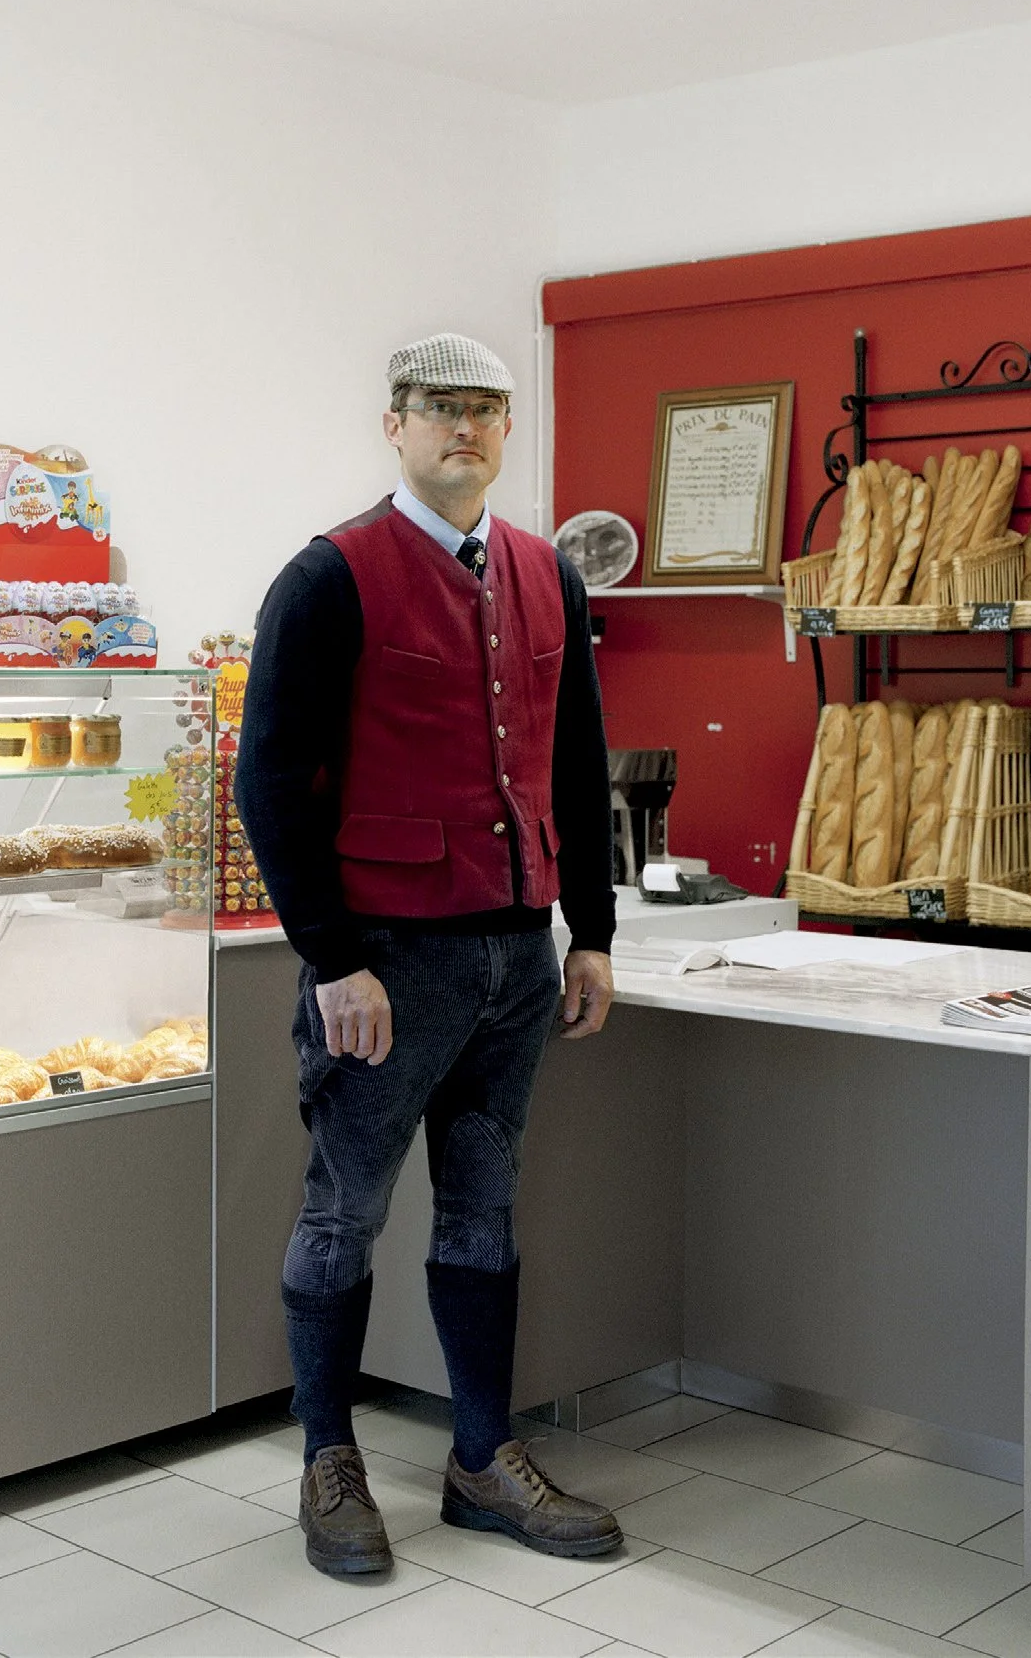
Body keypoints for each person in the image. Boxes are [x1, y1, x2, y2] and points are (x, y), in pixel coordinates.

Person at [237, 332, 620, 1579]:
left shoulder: (546, 574)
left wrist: (594, 931)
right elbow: (272, 786)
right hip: (387, 963)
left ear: (507, 429)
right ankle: (327, 1457)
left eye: (488, 410)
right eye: (441, 408)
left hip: (518, 947)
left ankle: (479, 1458)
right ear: (393, 424)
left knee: (485, 1206)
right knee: (344, 1210)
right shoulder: (329, 575)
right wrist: (332, 957)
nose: (467, 427)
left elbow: (574, 764)